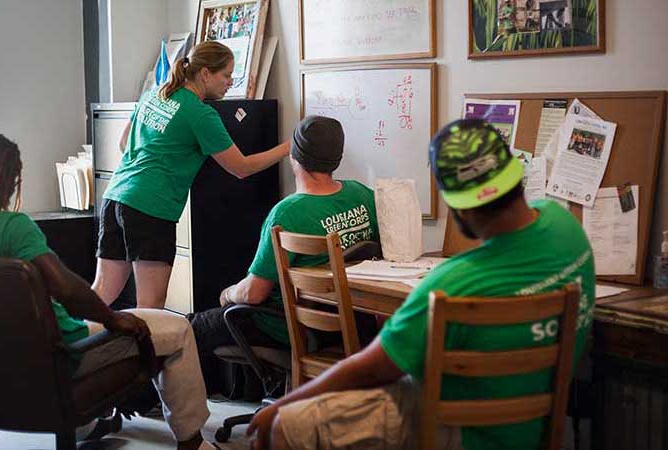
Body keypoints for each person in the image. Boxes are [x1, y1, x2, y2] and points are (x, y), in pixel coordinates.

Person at [246, 119, 596, 450]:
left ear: (461, 212)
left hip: (459, 431)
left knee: (288, 425)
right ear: (516, 177)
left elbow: (371, 367)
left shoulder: (450, 286)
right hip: (538, 425)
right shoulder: (567, 230)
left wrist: (280, 406)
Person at [0, 130, 214, 450]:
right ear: (2, 180)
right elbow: (66, 288)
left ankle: (89, 427)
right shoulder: (12, 228)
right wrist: (114, 319)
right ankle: (193, 443)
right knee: (179, 328)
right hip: (62, 357)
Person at [96, 40, 289, 310]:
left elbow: (122, 142)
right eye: (226, 75)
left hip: (116, 197)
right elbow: (241, 168)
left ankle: (70, 347)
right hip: (150, 208)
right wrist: (288, 147)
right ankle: (145, 354)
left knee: (102, 292)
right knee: (151, 305)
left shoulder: (156, 93)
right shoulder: (200, 114)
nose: (230, 82)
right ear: (205, 74)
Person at [190, 115, 380, 357]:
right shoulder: (362, 194)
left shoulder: (287, 213)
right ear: (337, 158)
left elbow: (254, 294)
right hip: (351, 327)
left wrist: (227, 294)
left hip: (289, 327)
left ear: (294, 157)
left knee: (191, 328)